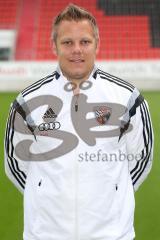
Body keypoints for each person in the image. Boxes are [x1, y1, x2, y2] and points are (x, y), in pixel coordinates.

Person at [5, 4, 153, 240]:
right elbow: (16, 163)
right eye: (67, 42)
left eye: (84, 42)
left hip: (111, 235)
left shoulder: (127, 99)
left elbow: (141, 159)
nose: (77, 50)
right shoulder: (27, 102)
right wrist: (43, 193)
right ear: (54, 45)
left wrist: (111, 195)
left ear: (97, 44)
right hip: (45, 234)